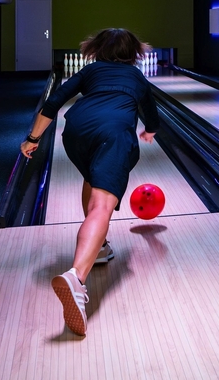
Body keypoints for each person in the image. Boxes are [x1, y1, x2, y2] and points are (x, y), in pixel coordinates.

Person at [20, 28, 161, 337]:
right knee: (102, 205)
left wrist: (32, 138)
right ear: (134, 52)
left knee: (92, 178)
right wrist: (149, 130)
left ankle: (98, 248)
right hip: (113, 132)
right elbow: (152, 113)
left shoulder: (90, 70)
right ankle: (76, 277)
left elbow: (53, 101)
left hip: (76, 131)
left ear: (97, 49)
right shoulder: (136, 77)